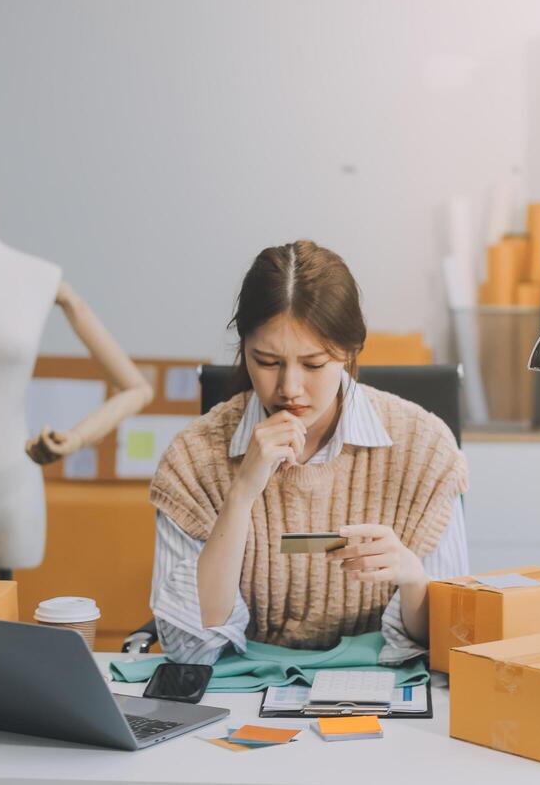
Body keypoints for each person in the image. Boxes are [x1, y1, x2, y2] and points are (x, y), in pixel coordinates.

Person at [150, 240, 469, 665]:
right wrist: (242, 491)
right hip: (241, 698)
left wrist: (413, 579)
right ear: (243, 348)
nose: (289, 388)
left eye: (314, 365)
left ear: (351, 352)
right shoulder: (193, 458)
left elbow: (454, 638)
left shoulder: (424, 448)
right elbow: (189, 646)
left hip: (381, 692)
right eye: (266, 361)